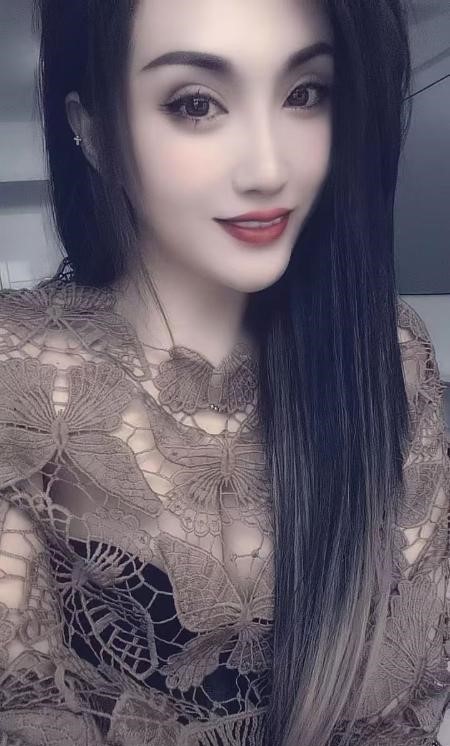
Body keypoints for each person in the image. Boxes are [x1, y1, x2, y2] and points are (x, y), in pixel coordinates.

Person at [0, 0, 448, 744]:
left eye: (305, 93)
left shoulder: (390, 353)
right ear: (94, 131)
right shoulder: (19, 375)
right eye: (196, 104)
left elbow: (405, 703)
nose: (269, 168)